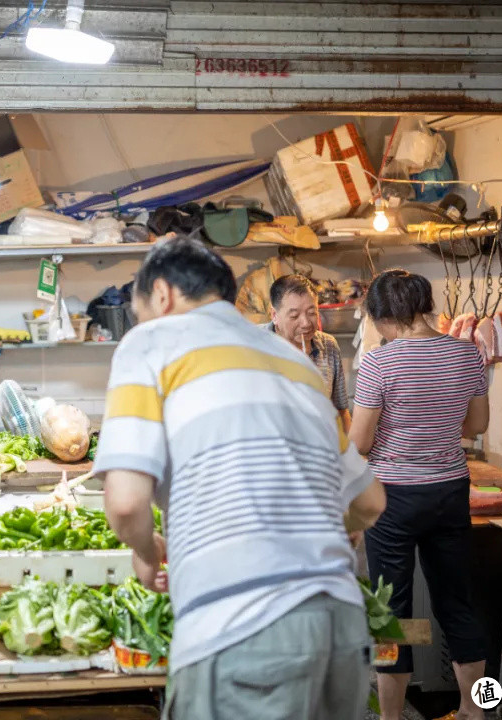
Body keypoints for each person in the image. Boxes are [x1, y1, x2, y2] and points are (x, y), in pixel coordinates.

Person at [95, 234, 387, 720]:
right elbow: (371, 503)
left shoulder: (150, 341)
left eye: (140, 309)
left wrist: (147, 553)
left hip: (244, 633)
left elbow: (125, 504)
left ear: (162, 294)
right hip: (342, 632)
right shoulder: (295, 363)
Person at [349, 269, 491, 720]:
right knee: (458, 601)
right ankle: (474, 708)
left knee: (393, 610)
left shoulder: (379, 362)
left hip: (393, 496)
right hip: (449, 490)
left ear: (383, 316)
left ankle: (391, 718)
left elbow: (360, 443)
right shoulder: (468, 354)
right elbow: (477, 426)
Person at [264, 274, 352, 432]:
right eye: (294, 316)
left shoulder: (328, 346)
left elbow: (340, 411)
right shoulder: (252, 347)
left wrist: (350, 453)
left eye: (312, 313)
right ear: (274, 315)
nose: (305, 323)